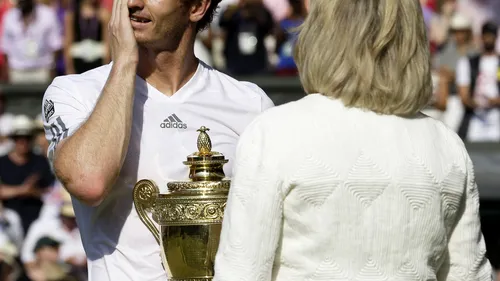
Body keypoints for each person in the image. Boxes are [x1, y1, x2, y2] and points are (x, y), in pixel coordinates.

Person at [213, 0, 492, 280]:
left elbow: (240, 271)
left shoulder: (274, 133)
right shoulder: (446, 146)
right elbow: (468, 274)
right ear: (412, 37)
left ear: (321, 33)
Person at [41, 0, 274, 280]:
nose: (132, 3)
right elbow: (88, 181)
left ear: (197, 7)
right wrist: (125, 61)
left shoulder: (251, 103)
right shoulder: (75, 92)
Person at [0, 115, 55, 235]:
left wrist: (34, 192)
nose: (23, 142)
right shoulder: (2, 162)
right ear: (13, 139)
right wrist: (22, 190)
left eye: (27, 137)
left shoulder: (40, 161)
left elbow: (51, 191)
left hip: (37, 218)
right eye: (18, 138)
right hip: (8, 219)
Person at [456, 22, 500, 142]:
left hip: (496, 118)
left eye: (491, 36)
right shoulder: (468, 63)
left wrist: (495, 101)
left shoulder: (498, 64)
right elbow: (463, 94)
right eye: (486, 36)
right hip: (475, 118)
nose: (488, 39)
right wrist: (474, 101)